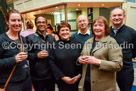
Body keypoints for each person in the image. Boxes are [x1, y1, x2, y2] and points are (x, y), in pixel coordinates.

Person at [78, 16, 123, 91]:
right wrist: (79, 59)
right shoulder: (88, 41)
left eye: (100, 25)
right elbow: (82, 55)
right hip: (86, 84)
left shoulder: (111, 42)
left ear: (106, 28)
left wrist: (98, 62)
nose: (97, 28)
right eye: (95, 25)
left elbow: (118, 65)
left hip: (103, 87)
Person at [0, 9, 32, 91]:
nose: (17, 23)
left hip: (26, 80)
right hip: (11, 84)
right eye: (13, 20)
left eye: (19, 20)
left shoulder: (23, 39)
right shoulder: (1, 39)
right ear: (7, 22)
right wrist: (14, 59)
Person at [49, 22, 82, 91]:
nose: (65, 32)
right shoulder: (54, 46)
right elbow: (52, 64)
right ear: (59, 32)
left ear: (69, 31)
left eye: (67, 30)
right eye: (62, 30)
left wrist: (79, 75)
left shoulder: (77, 44)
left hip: (76, 79)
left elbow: (81, 61)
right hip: (62, 81)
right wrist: (63, 77)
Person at [26, 15, 55, 91]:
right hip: (37, 76)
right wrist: (36, 55)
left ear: (46, 24)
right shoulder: (30, 38)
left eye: (43, 22)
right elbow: (26, 55)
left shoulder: (52, 38)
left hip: (51, 75)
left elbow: (55, 53)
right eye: (39, 22)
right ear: (35, 24)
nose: (41, 24)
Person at [110, 7, 136, 91]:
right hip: (108, 71)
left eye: (119, 15)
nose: (117, 17)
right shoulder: (105, 32)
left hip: (125, 71)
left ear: (124, 16)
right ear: (110, 17)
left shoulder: (132, 32)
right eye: (114, 15)